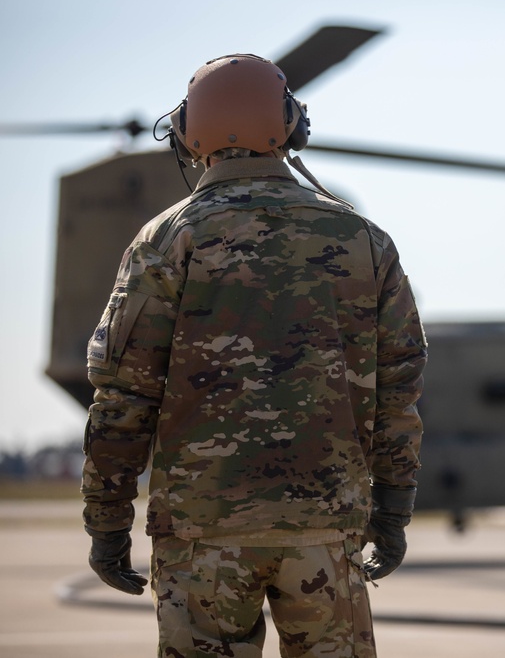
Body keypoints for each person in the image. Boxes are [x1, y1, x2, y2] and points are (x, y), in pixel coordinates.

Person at [81, 53, 427, 658]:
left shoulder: (166, 241)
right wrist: (392, 512)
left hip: (202, 536)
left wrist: (107, 521)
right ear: (293, 125)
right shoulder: (362, 240)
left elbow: (123, 395)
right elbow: (399, 388)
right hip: (325, 531)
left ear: (189, 135)